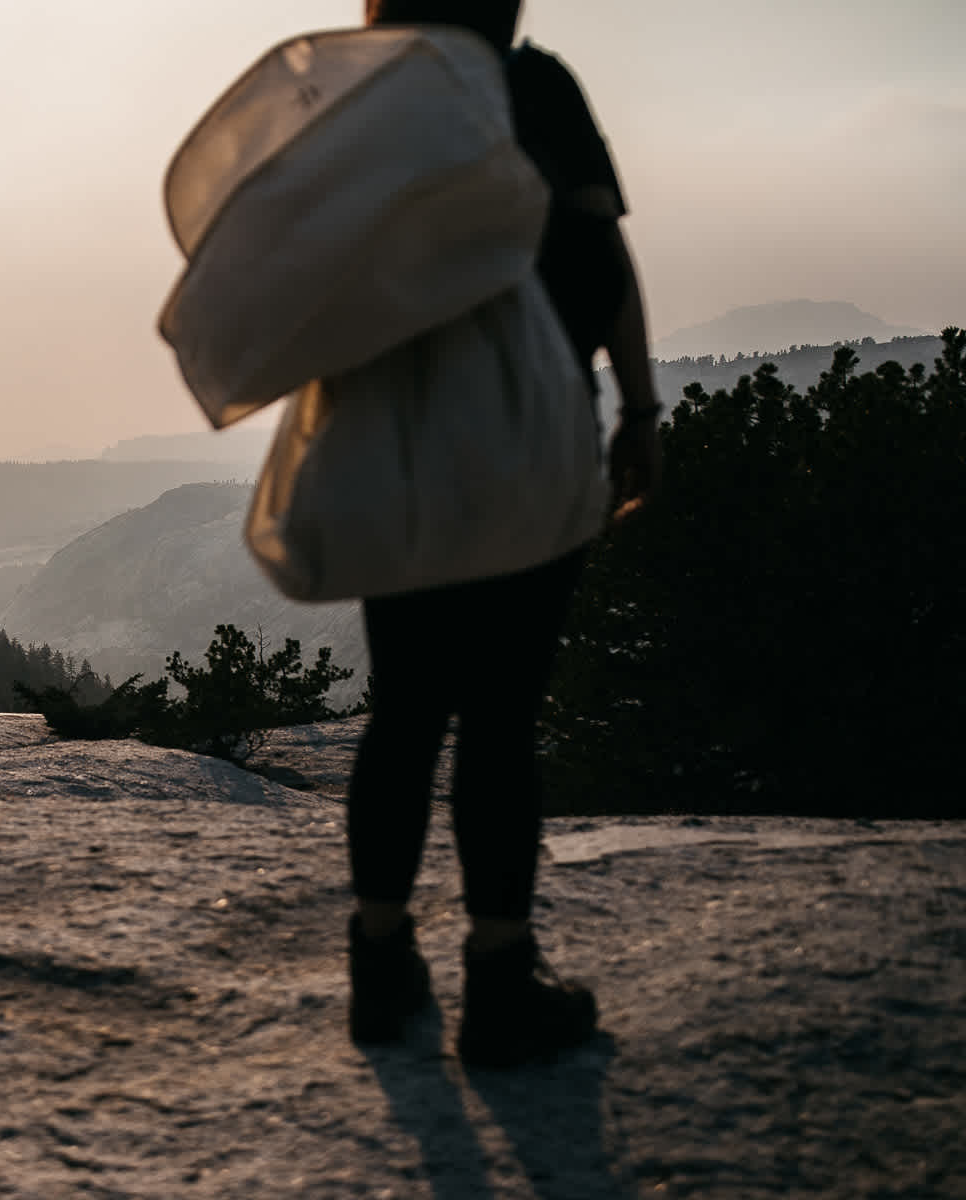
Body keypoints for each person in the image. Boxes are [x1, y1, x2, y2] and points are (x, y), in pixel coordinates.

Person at [345, 0, 663, 1067]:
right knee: (500, 718)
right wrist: (643, 411)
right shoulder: (537, 88)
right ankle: (499, 982)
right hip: (535, 440)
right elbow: (602, 255)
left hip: (404, 450)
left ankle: (380, 967)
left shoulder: (371, 100)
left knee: (404, 712)